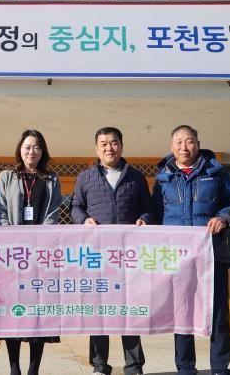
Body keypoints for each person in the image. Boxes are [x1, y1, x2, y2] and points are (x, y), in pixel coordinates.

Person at [151, 125, 230, 375]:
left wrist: (224, 217)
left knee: (218, 313)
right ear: (171, 146)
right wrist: (144, 221)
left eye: (189, 141)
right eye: (179, 142)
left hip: (211, 254)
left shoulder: (216, 173)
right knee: (181, 313)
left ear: (198, 144)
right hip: (177, 258)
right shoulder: (163, 179)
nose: (184, 147)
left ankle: (219, 368)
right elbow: (155, 215)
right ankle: (185, 368)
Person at [71, 126, 153, 375]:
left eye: (114, 142)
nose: (109, 148)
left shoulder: (136, 177)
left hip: (128, 256)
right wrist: (83, 219)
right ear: (96, 149)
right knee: (99, 311)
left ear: (121, 146)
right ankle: (99, 365)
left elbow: (149, 208)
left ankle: (134, 365)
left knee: (129, 309)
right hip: (97, 256)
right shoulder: (86, 177)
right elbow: (75, 207)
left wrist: (145, 219)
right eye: (104, 144)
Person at [0, 129, 62, 375]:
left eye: (36, 147)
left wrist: (39, 240)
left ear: (42, 151)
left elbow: (53, 211)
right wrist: (10, 238)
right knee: (12, 311)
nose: (31, 151)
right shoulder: (7, 176)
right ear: (20, 150)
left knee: (38, 312)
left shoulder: (51, 178)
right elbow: (0, 209)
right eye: (27, 147)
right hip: (13, 255)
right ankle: (14, 368)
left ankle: (34, 369)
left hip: (40, 256)